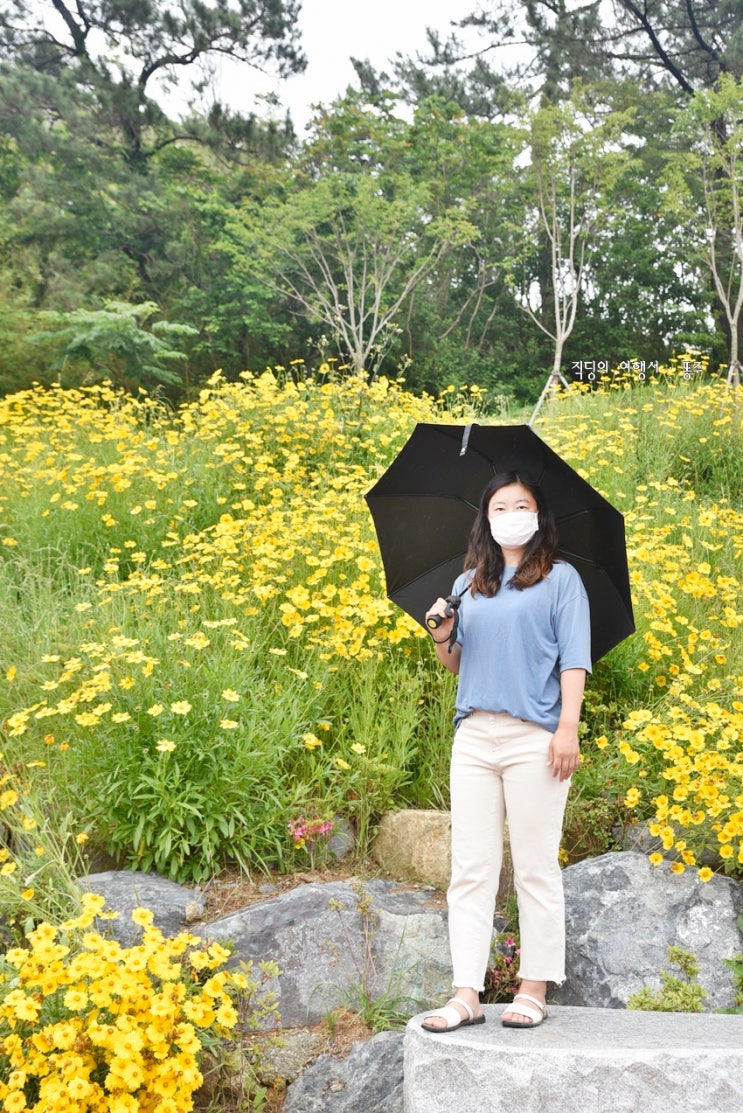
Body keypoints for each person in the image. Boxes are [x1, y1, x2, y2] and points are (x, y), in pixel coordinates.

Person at [420, 471, 591, 1032]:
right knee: (470, 868)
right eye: (500, 506)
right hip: (474, 735)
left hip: (534, 738)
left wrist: (568, 728)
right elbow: (460, 665)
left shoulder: (562, 580)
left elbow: (574, 659)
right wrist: (444, 634)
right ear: (486, 519)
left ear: (539, 515)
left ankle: (534, 987)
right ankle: (466, 993)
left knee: (536, 866)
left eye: (522, 505)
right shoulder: (470, 584)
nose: (511, 513)